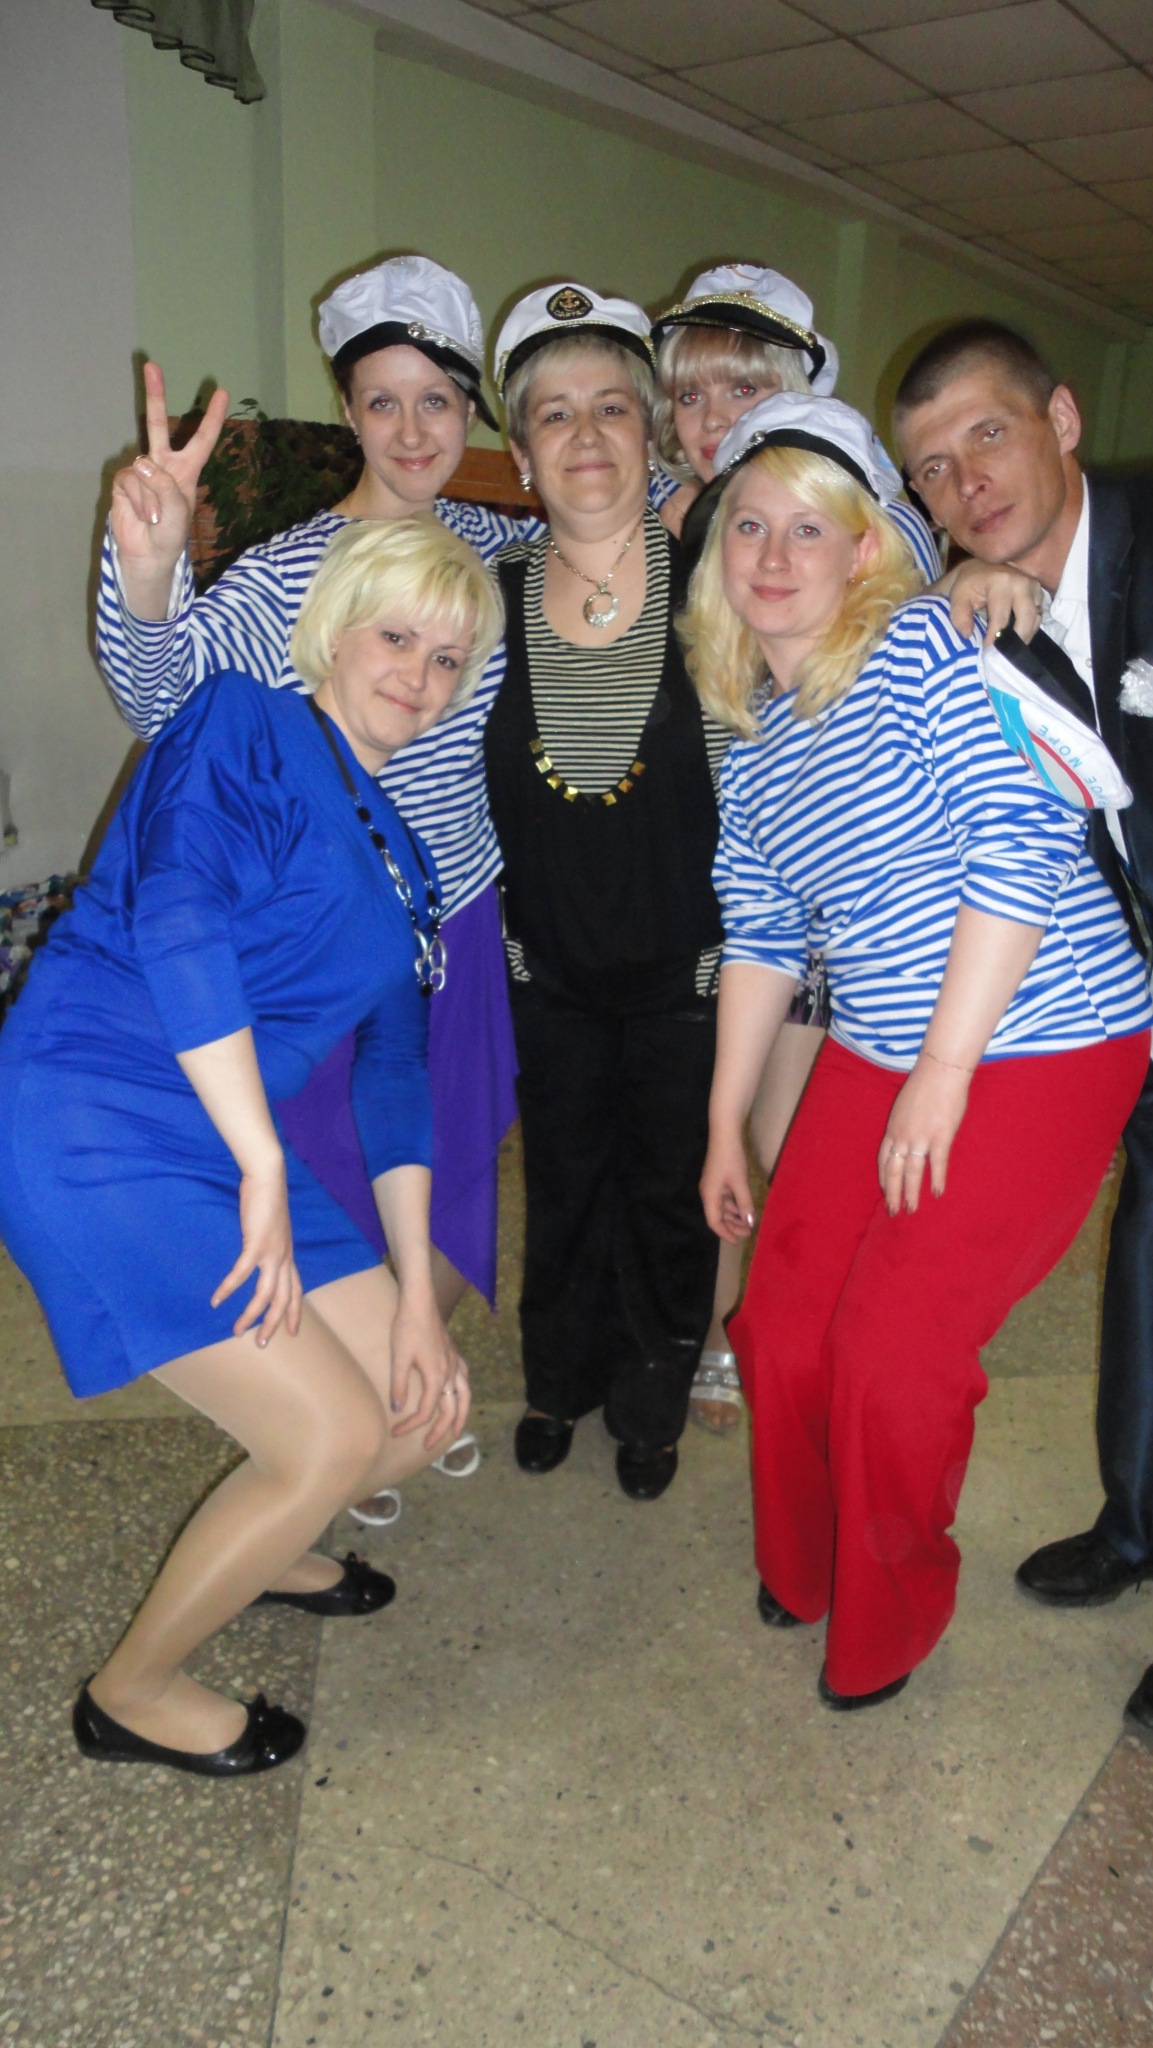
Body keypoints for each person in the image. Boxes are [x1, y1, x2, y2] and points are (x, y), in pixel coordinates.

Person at [0, 517, 502, 1775]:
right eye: (398, 636)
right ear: (334, 629)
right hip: (99, 1109)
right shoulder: (243, 720)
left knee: (419, 1402)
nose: (419, 675)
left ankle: (266, 1547)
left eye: (448, 658)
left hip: (225, 1135)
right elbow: (178, 918)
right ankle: (131, 1693)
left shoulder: (403, 851)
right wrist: (266, 1166)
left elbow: (393, 1075)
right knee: (329, 1436)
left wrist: (419, 1295)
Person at [682, 392, 1151, 1708]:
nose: (774, 554)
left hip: (1042, 1038)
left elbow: (1023, 838)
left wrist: (942, 1078)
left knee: (892, 1355)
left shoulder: (922, 648)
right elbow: (760, 926)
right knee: (779, 1326)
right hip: (883, 1040)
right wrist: (723, 1126)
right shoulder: (752, 726)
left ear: (866, 549)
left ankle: (889, 1610)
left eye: (810, 528)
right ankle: (806, 1560)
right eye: (749, 526)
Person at [95, 253, 527, 1522]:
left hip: (460, 919)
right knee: (333, 1177)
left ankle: (407, 1379)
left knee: (451, 1169)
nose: (413, 429)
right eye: (383, 401)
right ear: (348, 411)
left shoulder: (498, 550)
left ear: (468, 413)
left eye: (437, 401)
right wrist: (148, 573)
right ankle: (340, 1422)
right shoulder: (291, 572)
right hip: (330, 940)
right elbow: (165, 698)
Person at [891, 321, 1153, 1731]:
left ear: (1059, 417)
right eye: (932, 468)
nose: (964, 482)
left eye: (986, 435)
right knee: (1146, 1277)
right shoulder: (985, 610)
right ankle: (1134, 1522)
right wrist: (956, 588)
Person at [650, 263, 940, 1432]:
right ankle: (742, 1326)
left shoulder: (855, 523)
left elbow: (919, 595)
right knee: (724, 1125)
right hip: (719, 876)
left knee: (799, 1144)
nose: (712, 418)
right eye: (689, 394)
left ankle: (813, 1340)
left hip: (833, 909)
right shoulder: (666, 519)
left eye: (743, 390)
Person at [484, 282, 728, 1502]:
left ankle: (649, 1401)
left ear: (651, 435)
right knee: (565, 1179)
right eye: (554, 413)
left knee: (669, 1196)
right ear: (524, 456)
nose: (585, 433)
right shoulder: (481, 599)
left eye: (612, 407)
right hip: (546, 966)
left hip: (691, 970)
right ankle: (557, 1382)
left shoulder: (726, 585)